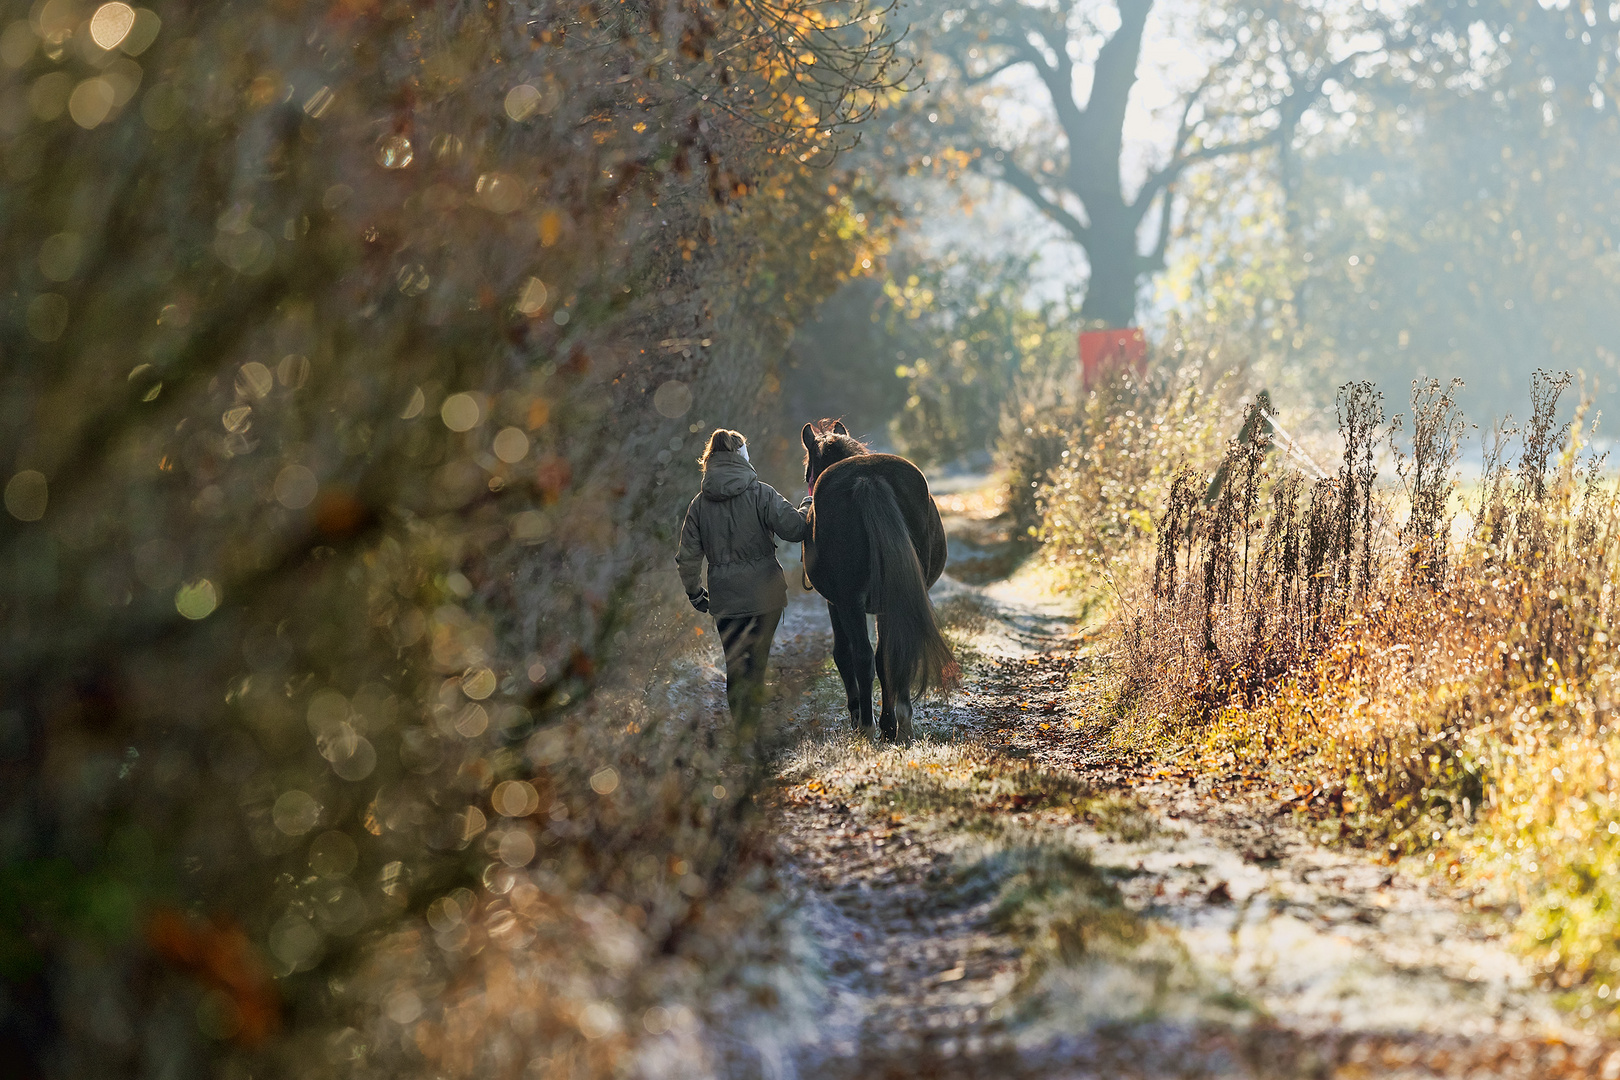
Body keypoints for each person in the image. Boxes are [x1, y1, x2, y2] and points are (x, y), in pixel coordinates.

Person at [676, 429, 811, 728]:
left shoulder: (699, 505)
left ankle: (742, 732)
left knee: (735, 666)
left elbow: (687, 557)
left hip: (726, 601)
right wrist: (807, 506)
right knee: (757, 664)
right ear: (740, 456)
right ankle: (753, 732)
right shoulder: (762, 493)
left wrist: (695, 593)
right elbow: (795, 529)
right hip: (766, 596)